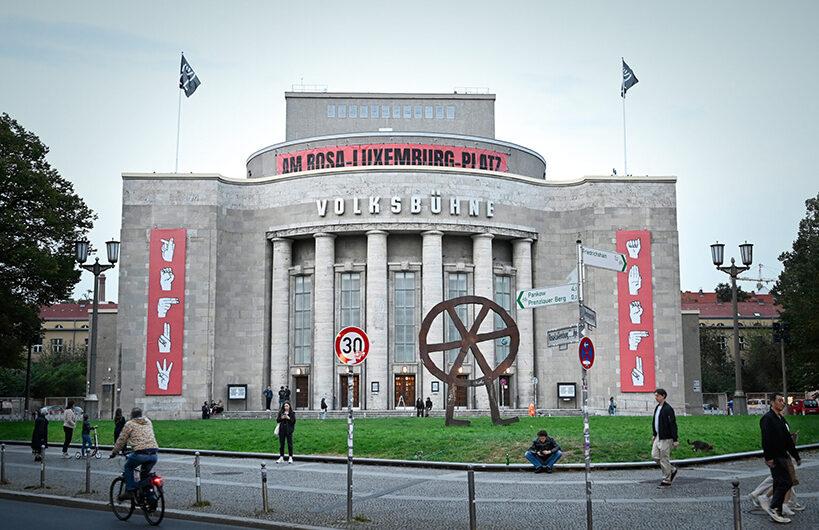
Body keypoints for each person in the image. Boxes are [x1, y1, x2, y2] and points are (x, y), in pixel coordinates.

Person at [760, 393, 801, 523]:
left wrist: (796, 456)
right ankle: (774, 508)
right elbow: (765, 439)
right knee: (785, 482)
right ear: (772, 402)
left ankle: (776, 510)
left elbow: (787, 440)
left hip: (782, 455)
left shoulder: (780, 419)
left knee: (782, 482)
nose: (782, 403)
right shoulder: (768, 418)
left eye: (783, 401)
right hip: (775, 457)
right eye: (779, 401)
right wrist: (768, 458)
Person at [110, 407, 159, 500]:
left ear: (132, 415)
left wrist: (114, 452)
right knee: (145, 475)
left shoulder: (130, 424)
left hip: (140, 453)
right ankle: (149, 496)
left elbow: (121, 440)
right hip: (154, 454)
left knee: (128, 467)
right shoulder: (148, 421)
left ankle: (130, 490)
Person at [652, 388, 679, 488]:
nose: (656, 397)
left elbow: (673, 424)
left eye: (657, 395)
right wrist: (654, 434)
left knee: (664, 458)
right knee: (654, 456)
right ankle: (671, 469)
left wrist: (675, 439)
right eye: (655, 396)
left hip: (666, 437)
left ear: (663, 396)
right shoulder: (657, 407)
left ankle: (666, 480)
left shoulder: (668, 409)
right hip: (659, 436)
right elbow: (655, 421)